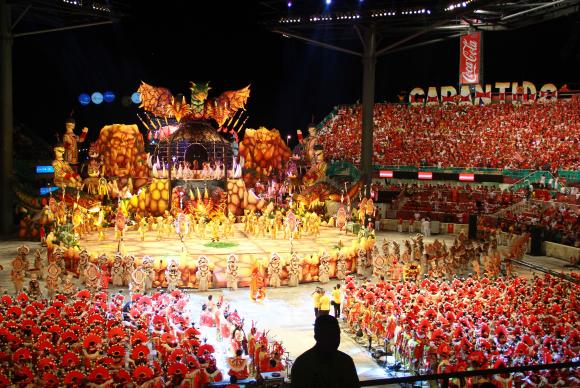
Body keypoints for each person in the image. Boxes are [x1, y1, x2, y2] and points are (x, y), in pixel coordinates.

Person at [291, 315, 359, 388]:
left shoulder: (346, 362)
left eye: (336, 335)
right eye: (328, 336)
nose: (334, 340)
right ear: (316, 337)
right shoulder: (303, 365)